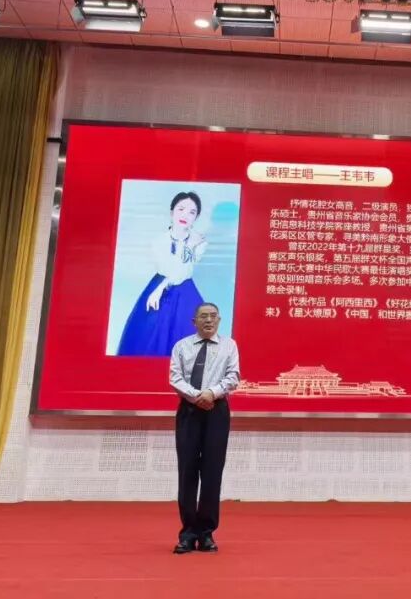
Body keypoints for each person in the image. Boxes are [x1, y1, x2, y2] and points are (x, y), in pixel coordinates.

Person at [169, 302, 240, 554]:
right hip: (189, 411)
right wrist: (197, 396)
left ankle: (207, 533)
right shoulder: (181, 346)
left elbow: (233, 376)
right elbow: (175, 378)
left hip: (217, 411)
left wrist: (211, 393)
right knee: (187, 471)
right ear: (194, 321)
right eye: (203, 316)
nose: (208, 320)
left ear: (219, 320)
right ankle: (188, 533)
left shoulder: (229, 346)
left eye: (212, 316)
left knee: (212, 472)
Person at [117, 191, 208, 356]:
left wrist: (160, 288)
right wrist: (160, 288)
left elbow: (183, 272)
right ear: (172, 212)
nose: (185, 215)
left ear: (196, 217)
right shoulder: (159, 242)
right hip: (160, 284)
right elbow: (171, 269)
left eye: (192, 212)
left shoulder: (199, 241)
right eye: (181, 209)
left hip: (184, 290)